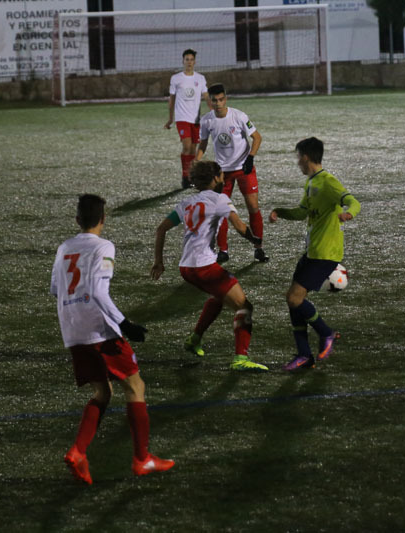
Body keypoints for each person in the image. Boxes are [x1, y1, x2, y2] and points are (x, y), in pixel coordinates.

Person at [51, 194, 174, 485]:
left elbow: (55, 288)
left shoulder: (64, 247)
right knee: (135, 386)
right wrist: (124, 323)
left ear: (77, 220)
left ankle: (78, 452)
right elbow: (97, 291)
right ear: (103, 219)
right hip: (99, 330)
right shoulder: (103, 246)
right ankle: (142, 459)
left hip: (72, 330)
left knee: (102, 392)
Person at [151, 160, 268, 372]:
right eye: (221, 175)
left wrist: (159, 262)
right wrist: (255, 240)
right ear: (215, 178)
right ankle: (240, 358)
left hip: (186, 267)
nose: (223, 178)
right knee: (244, 306)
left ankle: (195, 339)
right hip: (204, 267)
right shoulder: (219, 199)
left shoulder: (187, 202)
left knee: (219, 297)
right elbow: (240, 226)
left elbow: (161, 229)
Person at [269, 137, 361, 371]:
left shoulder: (328, 182)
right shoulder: (311, 183)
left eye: (298, 157)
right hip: (313, 251)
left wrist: (349, 214)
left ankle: (326, 332)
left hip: (325, 253)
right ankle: (304, 356)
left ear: (305, 157)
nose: (297, 162)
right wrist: (280, 212)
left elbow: (353, 201)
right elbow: (302, 213)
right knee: (292, 300)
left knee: (294, 299)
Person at [197, 83, 267, 264]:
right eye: (215, 100)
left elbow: (257, 137)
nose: (218, 104)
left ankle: (259, 248)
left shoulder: (239, 116)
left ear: (225, 99)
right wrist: (196, 161)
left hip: (244, 169)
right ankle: (223, 251)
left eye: (221, 100)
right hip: (221, 173)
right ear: (210, 101)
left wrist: (250, 158)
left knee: (253, 207)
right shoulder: (206, 121)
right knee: (220, 212)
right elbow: (203, 144)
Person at [164, 49, 212, 189]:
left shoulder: (200, 78)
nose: (189, 62)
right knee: (186, 146)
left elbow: (206, 97)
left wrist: (213, 111)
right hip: (182, 118)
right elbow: (172, 99)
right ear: (183, 61)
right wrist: (170, 119)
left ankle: (191, 176)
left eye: (191, 59)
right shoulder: (176, 78)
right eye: (187, 59)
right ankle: (185, 177)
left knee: (192, 149)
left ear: (194, 62)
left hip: (196, 119)